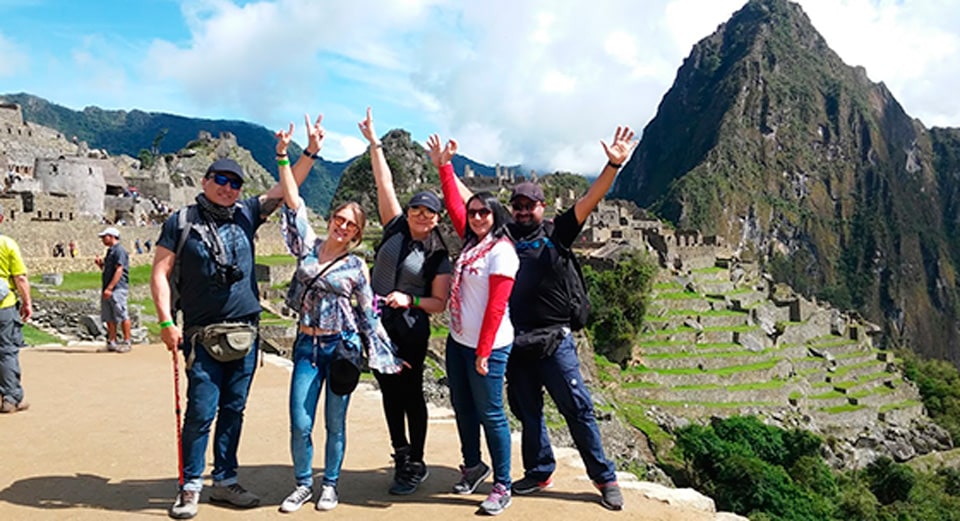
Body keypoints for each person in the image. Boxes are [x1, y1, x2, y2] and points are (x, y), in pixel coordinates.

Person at [274, 115, 405, 513]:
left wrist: (386, 356)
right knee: (300, 422)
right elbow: (293, 201)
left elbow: (368, 316)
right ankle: (303, 484)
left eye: (350, 225)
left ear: (357, 233)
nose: (342, 227)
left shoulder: (356, 268)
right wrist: (286, 156)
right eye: (339, 220)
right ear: (331, 220)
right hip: (307, 347)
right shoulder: (307, 247)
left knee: (335, 422)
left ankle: (329, 484)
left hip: (341, 348)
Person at [150, 155, 286, 519]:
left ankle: (225, 479)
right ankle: (190, 484)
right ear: (205, 181)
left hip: (245, 332)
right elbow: (160, 271)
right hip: (202, 334)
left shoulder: (247, 213)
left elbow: (285, 189)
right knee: (200, 411)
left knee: (234, 409)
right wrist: (165, 322)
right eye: (221, 180)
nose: (228, 188)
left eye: (235, 183)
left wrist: (298, 155)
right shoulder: (181, 222)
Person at [359, 108, 452, 495]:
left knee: (411, 393)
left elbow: (439, 303)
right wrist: (374, 143)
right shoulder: (395, 226)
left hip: (410, 330)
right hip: (377, 327)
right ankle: (400, 452)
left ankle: (417, 459)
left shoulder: (438, 255)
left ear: (437, 218)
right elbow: (384, 183)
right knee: (388, 392)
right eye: (416, 209)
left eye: (429, 212)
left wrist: (409, 299)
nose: (421, 215)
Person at [429, 134, 518, 516]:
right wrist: (444, 167)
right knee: (463, 407)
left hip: (489, 346)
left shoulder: (502, 253)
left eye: (485, 212)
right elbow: (455, 207)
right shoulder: (472, 244)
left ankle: (503, 484)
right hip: (459, 340)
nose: (478, 217)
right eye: (475, 212)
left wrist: (483, 352)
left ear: (496, 216)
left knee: (491, 413)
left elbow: (496, 308)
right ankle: (473, 466)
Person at [0, 204, 32, 414]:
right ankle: (11, 398)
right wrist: (27, 302)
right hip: (3, 305)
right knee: (6, 352)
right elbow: (19, 277)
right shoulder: (7, 244)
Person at [95, 227, 132, 353]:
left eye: (104, 237)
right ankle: (112, 341)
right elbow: (108, 270)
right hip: (108, 288)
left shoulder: (119, 251)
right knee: (109, 316)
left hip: (117, 288)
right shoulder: (110, 251)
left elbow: (119, 270)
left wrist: (110, 288)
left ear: (111, 236)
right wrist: (101, 265)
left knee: (122, 314)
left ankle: (127, 341)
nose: (102, 239)